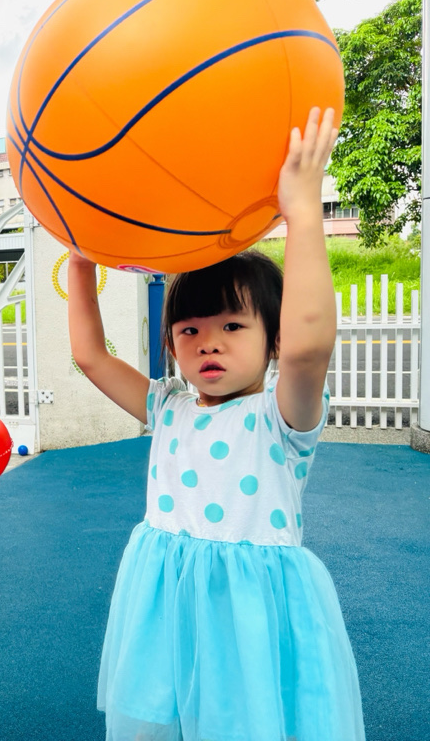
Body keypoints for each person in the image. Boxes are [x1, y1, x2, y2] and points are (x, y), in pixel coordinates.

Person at [68, 107, 365, 741]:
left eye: (233, 325)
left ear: (273, 339)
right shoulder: (167, 406)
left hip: (246, 617)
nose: (209, 342)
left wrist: (302, 213)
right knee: (161, 720)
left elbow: (311, 346)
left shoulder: (281, 416)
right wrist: (81, 263)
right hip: (166, 605)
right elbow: (90, 357)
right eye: (190, 330)